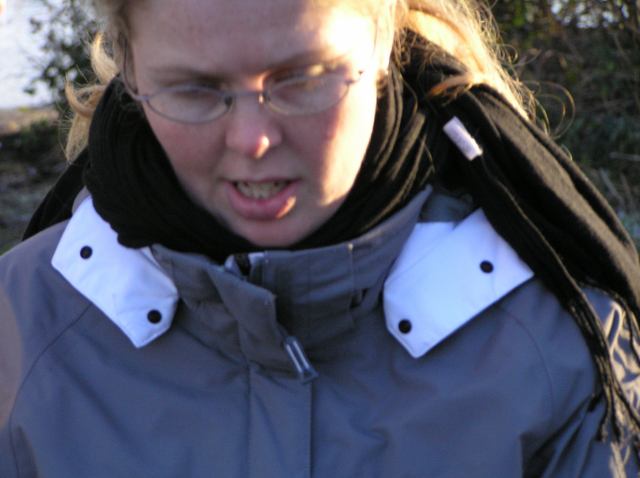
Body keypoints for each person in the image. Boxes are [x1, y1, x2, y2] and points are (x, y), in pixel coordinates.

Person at [1, 0, 639, 476]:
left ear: (383, 45)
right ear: (131, 71)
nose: (252, 140)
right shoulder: (22, 326)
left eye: (302, 78)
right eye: (194, 89)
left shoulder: (554, 336)